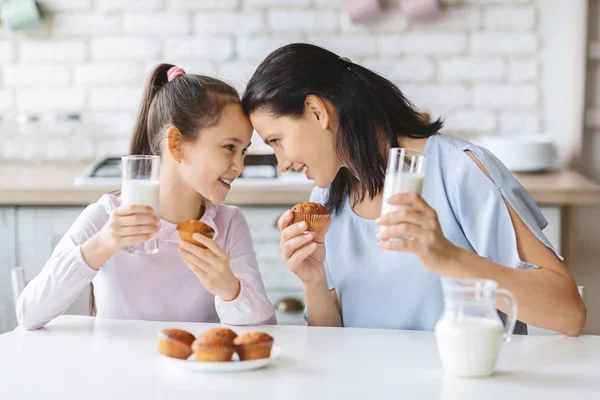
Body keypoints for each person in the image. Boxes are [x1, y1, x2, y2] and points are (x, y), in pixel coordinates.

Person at [241, 43, 585, 336]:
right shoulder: (327, 199)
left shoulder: (459, 169)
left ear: (317, 112)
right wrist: (312, 281)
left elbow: (569, 314)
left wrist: (449, 257)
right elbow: (332, 345)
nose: (282, 162)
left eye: (277, 141)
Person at [17, 64, 275, 330]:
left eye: (243, 151)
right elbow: (28, 313)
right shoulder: (106, 217)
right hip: (117, 370)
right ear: (176, 144)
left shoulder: (229, 224)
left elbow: (266, 329)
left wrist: (230, 289)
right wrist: (102, 244)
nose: (239, 166)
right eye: (229, 147)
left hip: (195, 371)